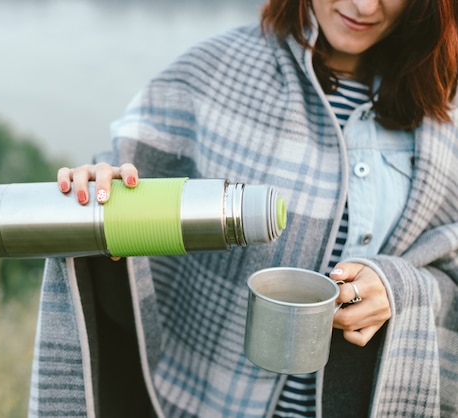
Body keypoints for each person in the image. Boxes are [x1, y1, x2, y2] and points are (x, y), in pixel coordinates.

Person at [28, 1, 458, 417]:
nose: (364, 6)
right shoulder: (214, 70)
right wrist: (100, 194)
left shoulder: (443, 108)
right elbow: (125, 181)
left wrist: (399, 288)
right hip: (204, 403)